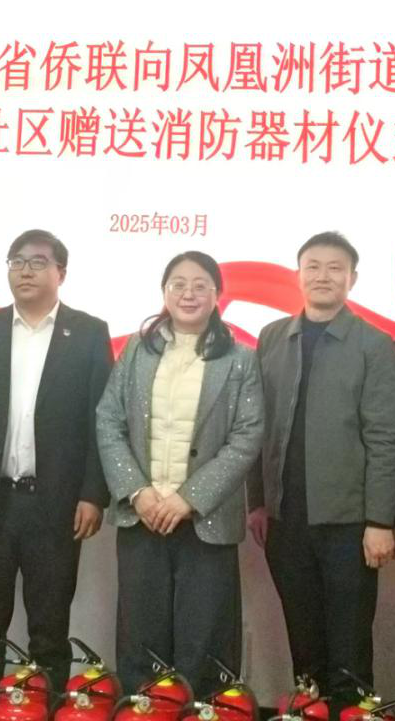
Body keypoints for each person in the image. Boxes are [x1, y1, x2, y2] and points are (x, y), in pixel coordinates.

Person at [0, 229, 112, 688]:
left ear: (61, 273)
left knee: (49, 628)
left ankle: (44, 704)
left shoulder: (89, 333)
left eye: (37, 261)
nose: (25, 270)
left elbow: (102, 421)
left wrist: (93, 494)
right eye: (17, 261)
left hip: (55, 503)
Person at [96, 251, 264, 698]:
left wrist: (189, 498)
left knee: (204, 638)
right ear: (164, 292)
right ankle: (143, 707)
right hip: (143, 516)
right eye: (178, 284)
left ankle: (202, 708)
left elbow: (247, 436)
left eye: (200, 285)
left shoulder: (241, 359)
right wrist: (138, 492)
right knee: (140, 634)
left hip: (206, 520)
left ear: (217, 294)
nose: (189, 294)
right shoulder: (137, 350)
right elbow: (108, 420)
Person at [247, 231, 395, 700]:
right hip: (285, 518)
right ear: (298, 275)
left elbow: (385, 438)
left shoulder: (374, 344)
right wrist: (258, 502)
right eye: (312, 266)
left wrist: (380, 521)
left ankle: (351, 709)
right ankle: (310, 708)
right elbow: (258, 426)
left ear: (352, 278)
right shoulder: (273, 337)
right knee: (303, 636)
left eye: (335, 268)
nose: (323, 276)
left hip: (349, 523)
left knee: (349, 643)